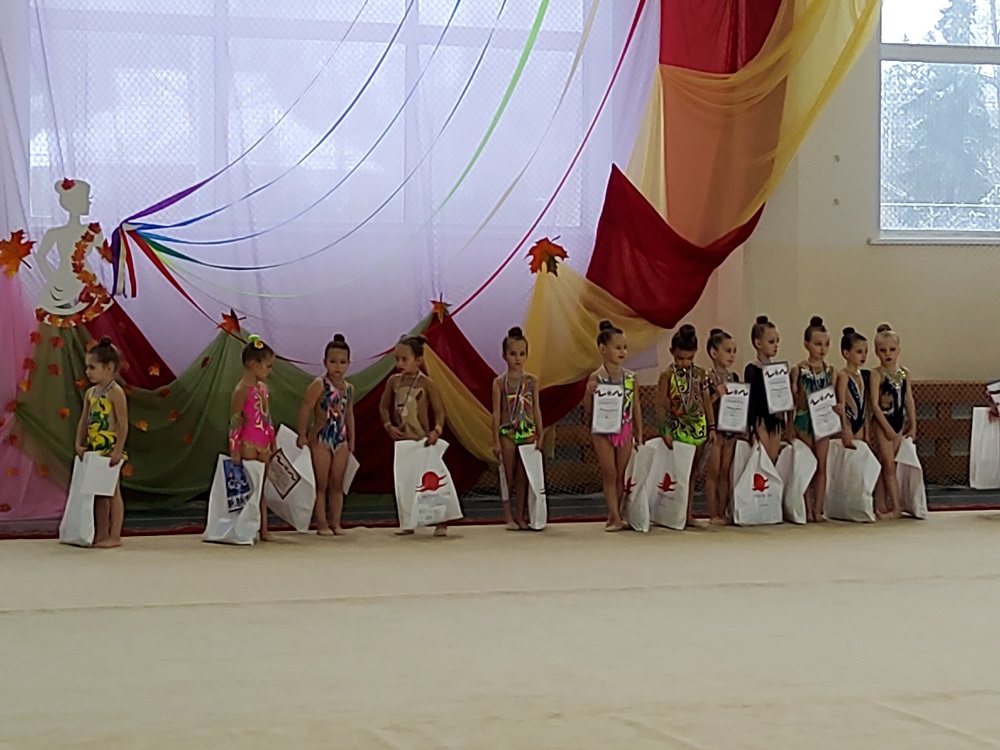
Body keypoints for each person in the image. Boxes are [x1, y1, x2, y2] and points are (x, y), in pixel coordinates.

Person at [379, 335, 448, 536]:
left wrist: (436, 430)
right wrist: (388, 425)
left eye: (404, 359)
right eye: (397, 359)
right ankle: (407, 521)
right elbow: (383, 406)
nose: (399, 364)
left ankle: (441, 521)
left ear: (418, 361)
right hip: (403, 442)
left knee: (432, 483)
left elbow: (440, 412)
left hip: (423, 441)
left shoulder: (427, 383)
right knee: (405, 483)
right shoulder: (393, 381)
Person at [584, 320, 643, 532]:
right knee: (609, 473)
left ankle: (615, 514)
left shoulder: (630, 377)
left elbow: (636, 407)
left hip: (624, 428)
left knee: (621, 474)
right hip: (603, 429)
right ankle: (615, 517)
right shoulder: (596, 376)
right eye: (617, 347)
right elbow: (588, 409)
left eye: (624, 347)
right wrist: (589, 392)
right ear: (603, 348)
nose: (622, 352)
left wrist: (639, 433)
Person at [656, 325, 715, 528]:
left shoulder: (700, 373)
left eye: (689, 358)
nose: (684, 362)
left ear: (695, 353)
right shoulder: (667, 375)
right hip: (678, 428)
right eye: (680, 358)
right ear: (672, 352)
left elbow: (706, 400)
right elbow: (661, 405)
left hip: (698, 427)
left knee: (692, 473)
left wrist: (711, 426)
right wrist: (664, 430)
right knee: (679, 474)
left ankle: (688, 514)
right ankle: (675, 514)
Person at [297, 334, 355, 535]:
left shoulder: (349, 388)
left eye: (342, 362)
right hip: (321, 438)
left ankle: (336, 522)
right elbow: (306, 408)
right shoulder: (319, 384)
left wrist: (352, 439)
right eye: (333, 361)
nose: (337, 367)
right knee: (321, 483)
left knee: (337, 484)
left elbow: (349, 415)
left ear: (348, 363)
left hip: (341, 439)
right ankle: (321, 523)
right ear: (324, 362)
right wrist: (302, 434)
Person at [74, 337, 128, 548]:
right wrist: (78, 443)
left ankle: (115, 535)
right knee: (98, 493)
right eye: (87, 367)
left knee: (112, 492)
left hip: (109, 449)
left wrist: (118, 450)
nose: (88, 371)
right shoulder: (90, 393)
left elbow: (122, 424)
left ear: (109, 368)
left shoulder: (116, 392)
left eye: (92, 367)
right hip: (95, 449)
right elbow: (84, 420)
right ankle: (101, 533)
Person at [491, 327, 544, 531]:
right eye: (513, 354)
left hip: (527, 431)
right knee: (508, 475)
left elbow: (536, 408)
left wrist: (540, 433)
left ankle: (521, 515)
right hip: (508, 432)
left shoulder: (531, 381)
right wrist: (495, 440)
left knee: (523, 476)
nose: (517, 358)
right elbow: (496, 413)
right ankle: (508, 517)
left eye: (522, 354)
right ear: (504, 355)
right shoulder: (499, 383)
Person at [229, 334, 277, 541]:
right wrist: (234, 447)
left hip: (263, 442)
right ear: (253, 365)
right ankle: (246, 529)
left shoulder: (263, 389)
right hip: (247, 442)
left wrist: (273, 440)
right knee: (249, 489)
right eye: (268, 366)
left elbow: (267, 417)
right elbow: (235, 419)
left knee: (261, 490)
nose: (269, 370)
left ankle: (263, 529)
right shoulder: (241, 390)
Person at [869, 323, 917, 519]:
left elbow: (908, 399)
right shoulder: (876, 374)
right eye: (883, 350)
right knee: (888, 465)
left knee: (889, 465)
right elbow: (874, 404)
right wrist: (886, 427)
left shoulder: (904, 373)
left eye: (892, 349)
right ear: (876, 352)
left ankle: (881, 505)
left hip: (899, 422)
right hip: (883, 423)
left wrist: (913, 424)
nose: (888, 354)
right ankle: (896, 506)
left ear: (899, 350)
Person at [790, 316, 836, 522]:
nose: (822, 349)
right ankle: (807, 509)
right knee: (808, 465)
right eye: (817, 344)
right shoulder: (798, 369)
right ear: (806, 344)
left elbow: (835, 398)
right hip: (803, 420)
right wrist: (789, 425)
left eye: (826, 344)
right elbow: (792, 401)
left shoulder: (831, 371)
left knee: (822, 465)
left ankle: (819, 509)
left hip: (823, 423)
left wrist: (837, 415)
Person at [703, 328, 739, 525]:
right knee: (714, 472)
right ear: (714, 352)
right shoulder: (707, 377)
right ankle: (712, 513)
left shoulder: (734, 377)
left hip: (730, 429)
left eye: (734, 351)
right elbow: (704, 404)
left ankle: (723, 511)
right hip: (715, 429)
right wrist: (717, 394)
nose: (731, 355)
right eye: (727, 351)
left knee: (725, 471)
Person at [744, 316, 791, 464]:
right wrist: (751, 427)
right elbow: (751, 400)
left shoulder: (778, 371)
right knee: (763, 458)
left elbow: (783, 397)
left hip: (775, 420)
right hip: (760, 419)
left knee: (772, 459)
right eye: (771, 342)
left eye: (777, 342)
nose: (776, 345)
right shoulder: (752, 369)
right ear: (758, 343)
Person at [835, 327, 870, 451]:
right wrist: (845, 428)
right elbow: (841, 404)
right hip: (848, 422)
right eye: (859, 352)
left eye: (866, 351)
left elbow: (864, 405)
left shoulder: (862, 375)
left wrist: (867, 431)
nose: (863, 355)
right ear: (846, 354)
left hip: (860, 422)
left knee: (860, 454)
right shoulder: (843, 375)